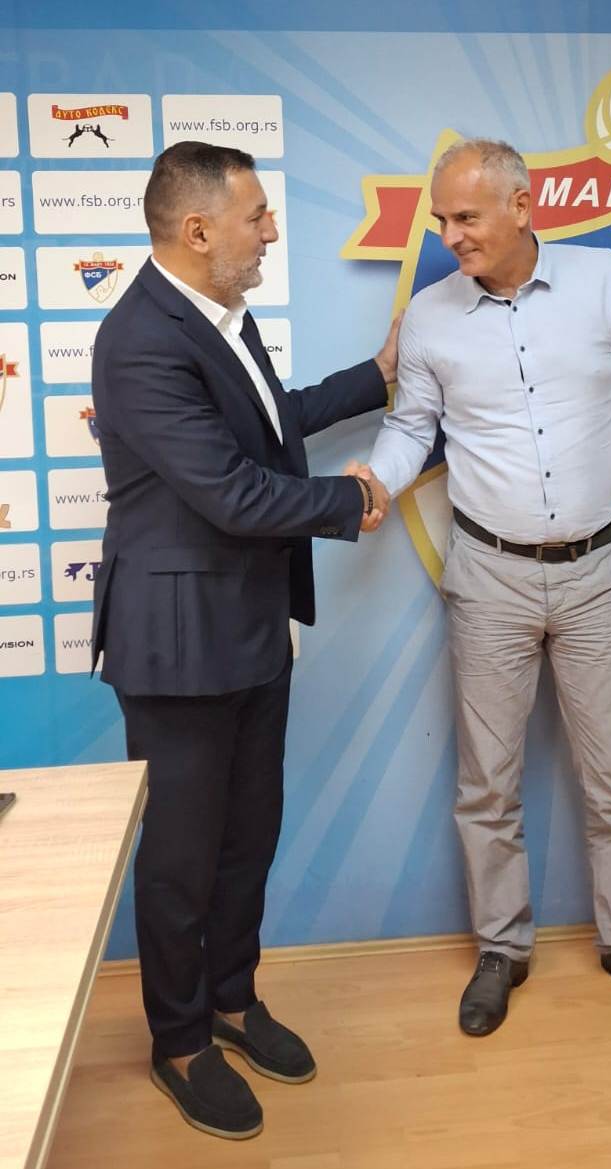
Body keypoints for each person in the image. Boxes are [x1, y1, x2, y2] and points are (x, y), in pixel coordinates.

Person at [366, 139, 611, 1039]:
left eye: (465, 217)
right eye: (441, 219)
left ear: (522, 207)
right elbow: (412, 429)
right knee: (487, 784)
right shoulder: (431, 317)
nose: (450, 235)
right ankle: (500, 948)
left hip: (599, 571)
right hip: (487, 576)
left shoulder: (607, 282)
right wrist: (373, 481)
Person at [90, 140, 395, 1140]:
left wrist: (374, 379)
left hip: (254, 629)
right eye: (256, 214)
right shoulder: (139, 339)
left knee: (246, 837)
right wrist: (347, 500)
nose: (270, 229)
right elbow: (229, 490)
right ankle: (179, 1041)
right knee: (182, 859)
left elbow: (270, 428)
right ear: (197, 229)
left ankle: (231, 998)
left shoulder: (225, 314)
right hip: (178, 648)